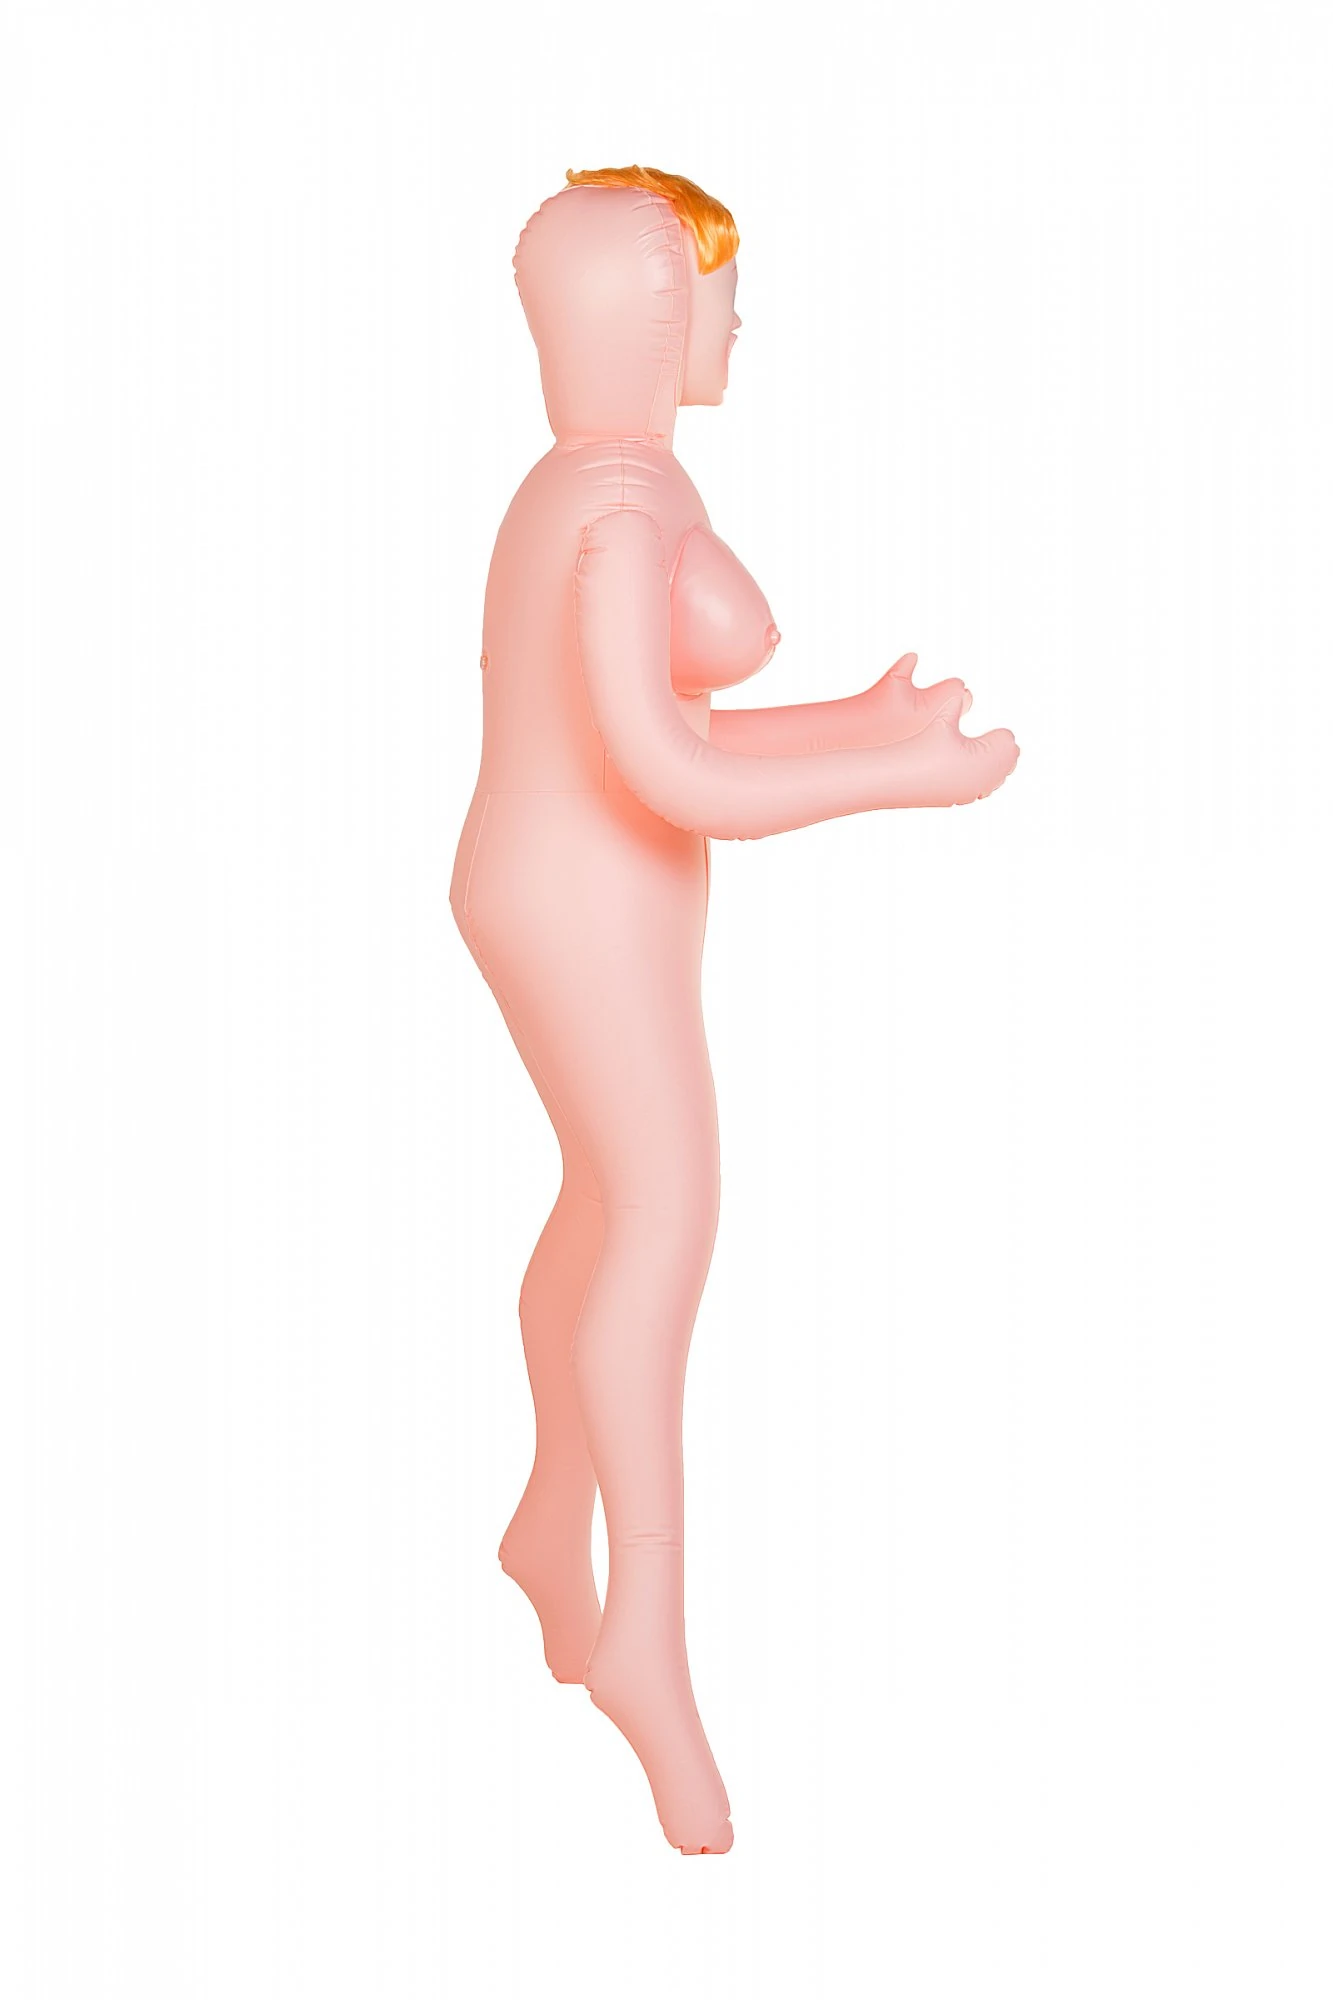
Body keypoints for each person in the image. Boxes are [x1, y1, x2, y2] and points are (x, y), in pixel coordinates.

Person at [449, 165, 1019, 1854]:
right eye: (719, 296)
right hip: (585, 906)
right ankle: (645, 1631)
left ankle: (550, 1527)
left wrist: (854, 722)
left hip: (560, 890)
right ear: (651, 310)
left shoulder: (582, 485)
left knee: (603, 1205)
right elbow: (672, 774)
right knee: (664, 1217)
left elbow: (661, 740)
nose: (739, 324)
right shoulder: (624, 502)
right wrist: (895, 781)